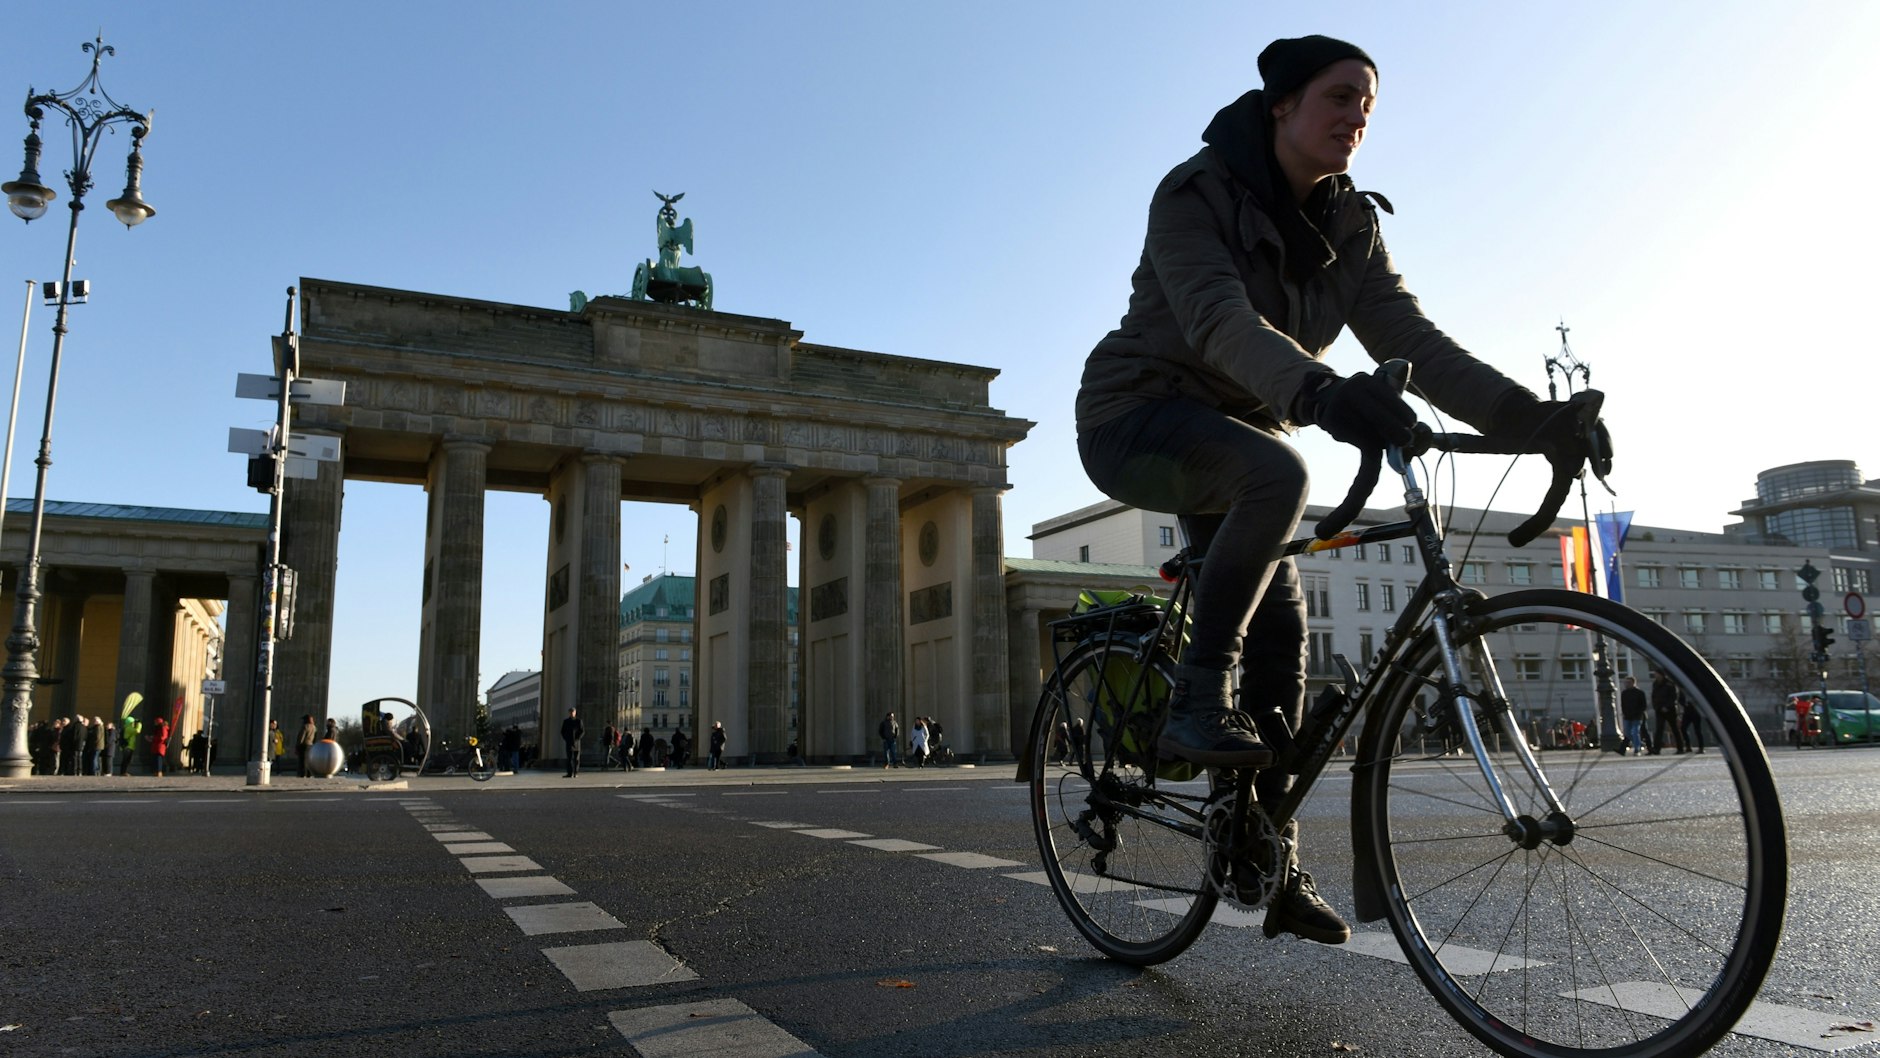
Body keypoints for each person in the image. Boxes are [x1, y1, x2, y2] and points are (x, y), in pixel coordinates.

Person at [1073, 35, 1610, 946]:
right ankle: (1195, 697)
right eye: (1339, 96)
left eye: (1369, 103)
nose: (1357, 115)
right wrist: (1322, 394)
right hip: (1138, 418)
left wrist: (1531, 419)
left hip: (1240, 435)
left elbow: (1418, 341)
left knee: (1285, 646)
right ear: (1281, 104)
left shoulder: (1351, 225)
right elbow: (1215, 320)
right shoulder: (1193, 193)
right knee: (1281, 472)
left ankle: (1261, 852)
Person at [1649, 671, 1682, 755]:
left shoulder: (1669, 684)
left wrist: (1667, 706)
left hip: (1670, 710)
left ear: (1661, 675)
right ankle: (1656, 748)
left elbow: (1673, 697)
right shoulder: (1655, 684)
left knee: (1674, 728)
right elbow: (1654, 696)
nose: (1655, 675)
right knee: (1659, 729)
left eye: (1657, 674)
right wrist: (1656, 707)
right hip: (1659, 709)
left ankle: (1680, 748)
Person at [1620, 676, 1648, 755]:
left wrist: (1639, 713)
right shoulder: (1624, 693)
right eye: (1625, 682)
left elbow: (1643, 705)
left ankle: (1637, 749)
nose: (1626, 684)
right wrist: (1624, 713)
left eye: (1628, 682)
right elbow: (1623, 705)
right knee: (1627, 733)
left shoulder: (1639, 693)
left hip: (1637, 716)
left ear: (1633, 683)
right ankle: (1639, 743)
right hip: (1627, 716)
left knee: (1635, 732)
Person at [561, 707, 584, 777]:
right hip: (569, 742)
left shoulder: (579, 721)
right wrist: (566, 739)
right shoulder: (566, 721)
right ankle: (569, 773)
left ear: (575, 713)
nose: (571, 713)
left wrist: (577, 738)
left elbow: (582, 731)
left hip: (576, 742)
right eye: (570, 712)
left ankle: (576, 773)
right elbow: (562, 731)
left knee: (576, 759)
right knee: (569, 758)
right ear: (569, 713)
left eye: (573, 712)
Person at [1680, 689, 1706, 754]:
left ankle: (1701, 747)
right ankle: (1688, 746)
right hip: (1687, 711)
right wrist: (1684, 704)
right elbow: (1680, 699)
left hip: (1696, 712)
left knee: (1697, 730)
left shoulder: (1695, 688)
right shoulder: (1682, 689)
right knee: (1683, 728)